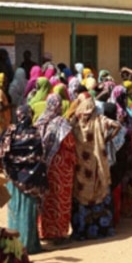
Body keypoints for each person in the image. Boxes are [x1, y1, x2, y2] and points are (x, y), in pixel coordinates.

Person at [0, 105, 48, 254]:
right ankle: (30, 245)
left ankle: (15, 246)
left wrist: (10, 164)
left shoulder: (9, 132)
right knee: (29, 212)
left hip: (14, 179)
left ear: (18, 115)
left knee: (15, 211)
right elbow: (40, 155)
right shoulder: (35, 134)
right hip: (31, 181)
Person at [70, 98, 122, 240]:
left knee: (82, 197)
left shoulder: (76, 122)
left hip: (82, 168)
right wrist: (106, 139)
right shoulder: (99, 119)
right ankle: (101, 230)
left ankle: (82, 231)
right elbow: (117, 125)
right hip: (97, 165)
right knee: (99, 194)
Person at [35, 95, 75, 241]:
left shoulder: (39, 121)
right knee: (59, 198)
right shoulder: (62, 123)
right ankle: (58, 232)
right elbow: (70, 143)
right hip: (60, 167)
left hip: (43, 167)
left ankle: (43, 231)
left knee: (45, 198)